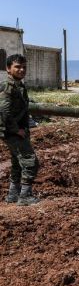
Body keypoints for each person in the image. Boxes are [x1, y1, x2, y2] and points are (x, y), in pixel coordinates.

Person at [0, 54, 40, 206]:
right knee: (31, 161)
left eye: (24, 67)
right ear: (8, 69)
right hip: (12, 131)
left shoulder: (18, 85)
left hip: (15, 130)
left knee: (17, 162)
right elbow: (4, 112)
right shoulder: (7, 86)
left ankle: (13, 195)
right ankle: (25, 196)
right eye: (17, 67)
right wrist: (16, 130)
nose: (22, 70)